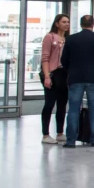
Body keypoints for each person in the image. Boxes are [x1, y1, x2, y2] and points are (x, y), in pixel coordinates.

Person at [60, 15, 94, 148]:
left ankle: (70, 140)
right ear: (93, 24)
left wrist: (71, 69)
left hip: (75, 78)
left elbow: (64, 60)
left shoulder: (71, 39)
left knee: (73, 109)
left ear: (81, 24)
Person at [40, 14, 70, 144]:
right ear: (57, 23)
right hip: (52, 73)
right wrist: (47, 75)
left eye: (68, 22)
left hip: (64, 74)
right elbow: (45, 58)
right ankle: (45, 134)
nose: (66, 24)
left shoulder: (68, 39)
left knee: (62, 104)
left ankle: (60, 132)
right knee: (49, 104)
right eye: (63, 22)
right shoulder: (49, 37)